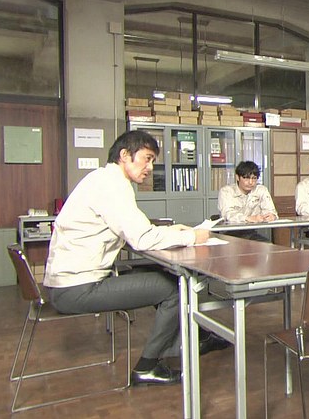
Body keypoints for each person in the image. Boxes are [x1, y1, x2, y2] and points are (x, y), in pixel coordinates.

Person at [44, 130, 229, 387]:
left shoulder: (103, 179)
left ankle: (194, 338)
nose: (150, 168)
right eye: (147, 158)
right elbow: (141, 238)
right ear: (124, 155)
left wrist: (172, 231)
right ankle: (148, 366)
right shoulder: (112, 186)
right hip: (76, 288)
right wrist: (192, 237)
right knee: (175, 288)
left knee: (160, 273)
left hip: (69, 283)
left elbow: (136, 229)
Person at [217, 160, 278, 242]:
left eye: (254, 178)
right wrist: (248, 218)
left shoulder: (261, 190)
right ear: (237, 177)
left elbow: (271, 211)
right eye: (246, 178)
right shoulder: (226, 191)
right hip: (229, 233)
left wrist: (271, 216)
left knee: (268, 246)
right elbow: (228, 214)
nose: (250, 182)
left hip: (251, 233)